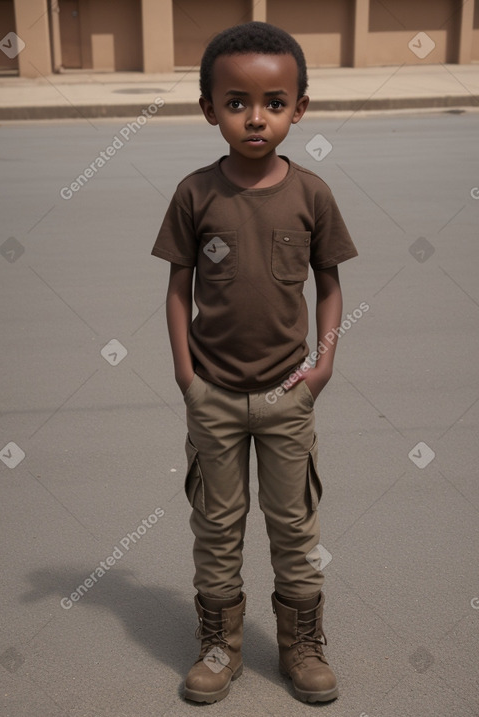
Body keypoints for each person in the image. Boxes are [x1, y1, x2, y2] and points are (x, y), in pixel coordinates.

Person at [151, 21, 358, 705]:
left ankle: (302, 645)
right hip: (211, 394)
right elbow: (178, 290)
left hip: (285, 396)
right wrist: (187, 375)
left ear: (300, 107)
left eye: (274, 101)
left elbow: (329, 286)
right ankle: (221, 646)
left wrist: (321, 366)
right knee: (215, 525)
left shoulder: (312, 195)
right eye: (236, 102)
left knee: (295, 525)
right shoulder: (194, 194)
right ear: (208, 107)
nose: (255, 117)